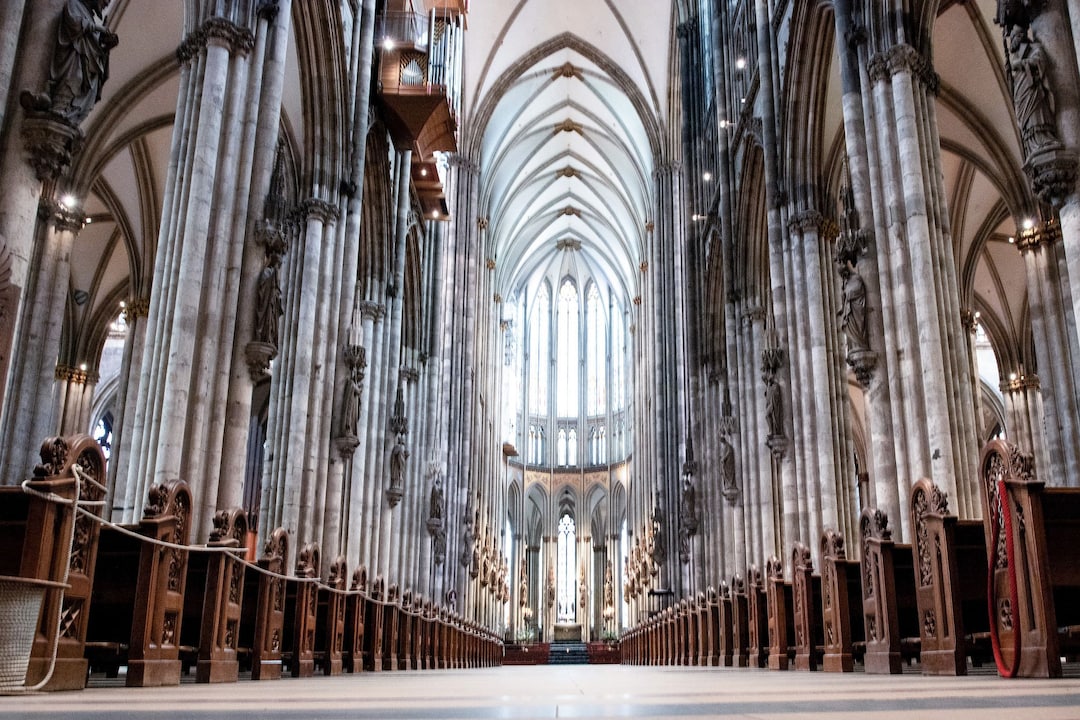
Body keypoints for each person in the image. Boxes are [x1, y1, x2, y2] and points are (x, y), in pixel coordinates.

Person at [41, 0, 118, 124]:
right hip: (74, 60)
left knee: (90, 88)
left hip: (85, 62)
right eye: (105, 0)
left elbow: (94, 47)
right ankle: (59, 108)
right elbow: (75, 24)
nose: (106, 4)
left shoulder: (90, 16)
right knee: (76, 77)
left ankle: (71, 117)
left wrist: (106, 45)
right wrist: (98, 28)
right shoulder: (75, 4)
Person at [1006, 25, 1060, 156]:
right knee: (1026, 118)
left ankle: (1044, 138)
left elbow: (1040, 60)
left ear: (1021, 35)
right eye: (1012, 37)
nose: (1013, 40)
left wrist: (1022, 63)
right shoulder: (1015, 56)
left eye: (1015, 36)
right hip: (1022, 89)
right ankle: (1032, 144)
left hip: (1033, 88)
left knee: (1037, 112)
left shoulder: (1034, 47)